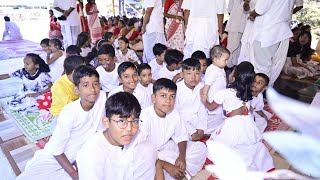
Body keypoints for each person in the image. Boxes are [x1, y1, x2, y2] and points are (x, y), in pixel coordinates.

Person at [17, 65, 106, 180]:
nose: (92, 89)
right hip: (55, 158)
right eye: (86, 85)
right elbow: (57, 150)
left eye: (95, 84)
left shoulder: (102, 97)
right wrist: (74, 175)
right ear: (76, 90)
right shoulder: (69, 112)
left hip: (79, 155)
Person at [201, 61, 274, 172]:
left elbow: (211, 108)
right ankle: (259, 162)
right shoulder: (247, 93)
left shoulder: (224, 92)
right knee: (247, 145)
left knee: (214, 148)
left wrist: (204, 100)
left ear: (234, 76)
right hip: (247, 123)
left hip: (233, 124)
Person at [77, 92, 157, 179]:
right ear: (106, 122)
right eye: (122, 121)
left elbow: (155, 160)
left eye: (135, 121)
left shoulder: (138, 136)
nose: (129, 129)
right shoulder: (91, 154)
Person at [140, 78, 207, 180]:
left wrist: (182, 157)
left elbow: (181, 136)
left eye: (172, 96)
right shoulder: (145, 116)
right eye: (163, 96)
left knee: (200, 148)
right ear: (153, 98)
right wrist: (166, 165)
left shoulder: (174, 113)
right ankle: (176, 171)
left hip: (166, 147)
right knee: (153, 170)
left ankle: (178, 171)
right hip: (150, 156)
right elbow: (140, 151)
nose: (168, 101)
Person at [239, 0, 297, 86]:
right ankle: (263, 92)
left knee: (261, 67)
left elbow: (260, 9)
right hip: (279, 32)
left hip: (266, 32)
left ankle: (257, 94)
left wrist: (252, 14)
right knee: (270, 65)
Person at [175, 58, 208, 141]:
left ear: (201, 74)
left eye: (197, 73)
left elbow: (202, 110)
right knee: (184, 138)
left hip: (197, 120)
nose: (193, 77)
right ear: (182, 75)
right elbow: (176, 114)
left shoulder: (201, 87)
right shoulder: (176, 89)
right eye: (189, 73)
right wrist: (192, 132)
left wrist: (201, 128)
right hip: (181, 122)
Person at [201, 45, 230, 134]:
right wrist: (204, 95)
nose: (227, 62)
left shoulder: (219, 68)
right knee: (215, 115)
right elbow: (207, 85)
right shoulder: (213, 70)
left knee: (219, 114)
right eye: (225, 60)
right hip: (213, 97)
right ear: (216, 59)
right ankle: (207, 130)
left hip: (219, 96)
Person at [225, 0, 256, 68]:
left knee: (240, 49)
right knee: (232, 47)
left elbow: (255, 12)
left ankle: (235, 66)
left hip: (246, 27)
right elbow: (230, 10)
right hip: (235, 26)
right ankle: (228, 65)